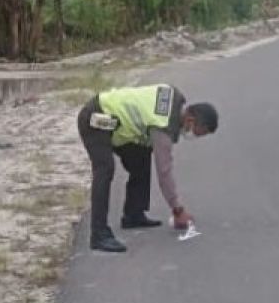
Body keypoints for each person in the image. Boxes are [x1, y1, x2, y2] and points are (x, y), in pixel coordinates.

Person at [77, 84, 218, 253]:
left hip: (118, 126)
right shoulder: (162, 125)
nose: (195, 136)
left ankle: (133, 214)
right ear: (190, 120)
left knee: (141, 157)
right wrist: (177, 209)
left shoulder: (173, 98)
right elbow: (164, 172)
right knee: (105, 169)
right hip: (96, 118)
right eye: (198, 132)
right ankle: (99, 235)